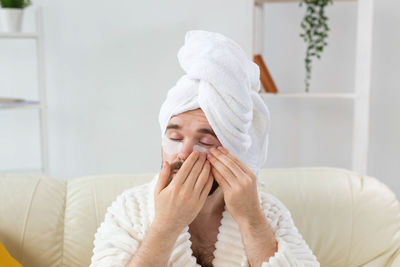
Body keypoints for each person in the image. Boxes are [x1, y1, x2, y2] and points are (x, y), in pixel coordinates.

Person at [90, 30, 320, 267]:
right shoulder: (132, 209)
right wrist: (165, 228)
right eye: (175, 136)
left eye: (206, 142)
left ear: (233, 154)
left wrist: (251, 220)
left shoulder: (266, 212)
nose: (184, 153)